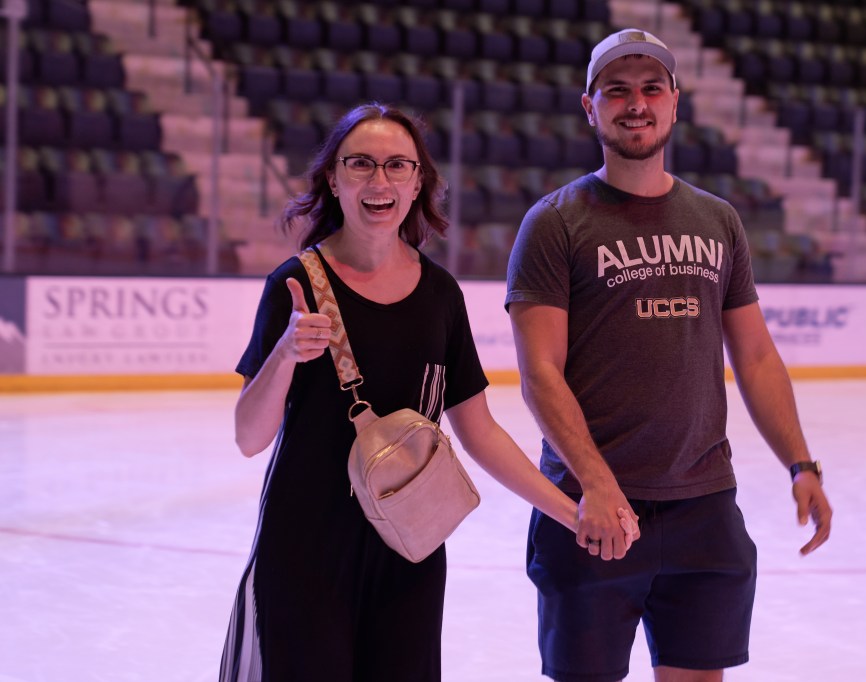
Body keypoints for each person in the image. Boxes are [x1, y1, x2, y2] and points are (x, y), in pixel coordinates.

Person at [218, 103, 637, 682]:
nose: (380, 180)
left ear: (418, 183)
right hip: (305, 551)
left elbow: (480, 431)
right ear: (333, 179)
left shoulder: (440, 294)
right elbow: (249, 437)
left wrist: (572, 513)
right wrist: (286, 352)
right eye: (361, 164)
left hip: (409, 547)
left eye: (398, 165)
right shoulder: (294, 285)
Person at [505, 29, 834, 682]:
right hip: (591, 507)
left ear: (675, 102)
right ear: (590, 106)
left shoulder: (718, 221)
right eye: (617, 91)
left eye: (652, 88)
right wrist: (597, 484)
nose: (636, 104)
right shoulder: (555, 223)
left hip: (704, 506)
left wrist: (801, 463)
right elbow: (540, 373)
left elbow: (756, 356)